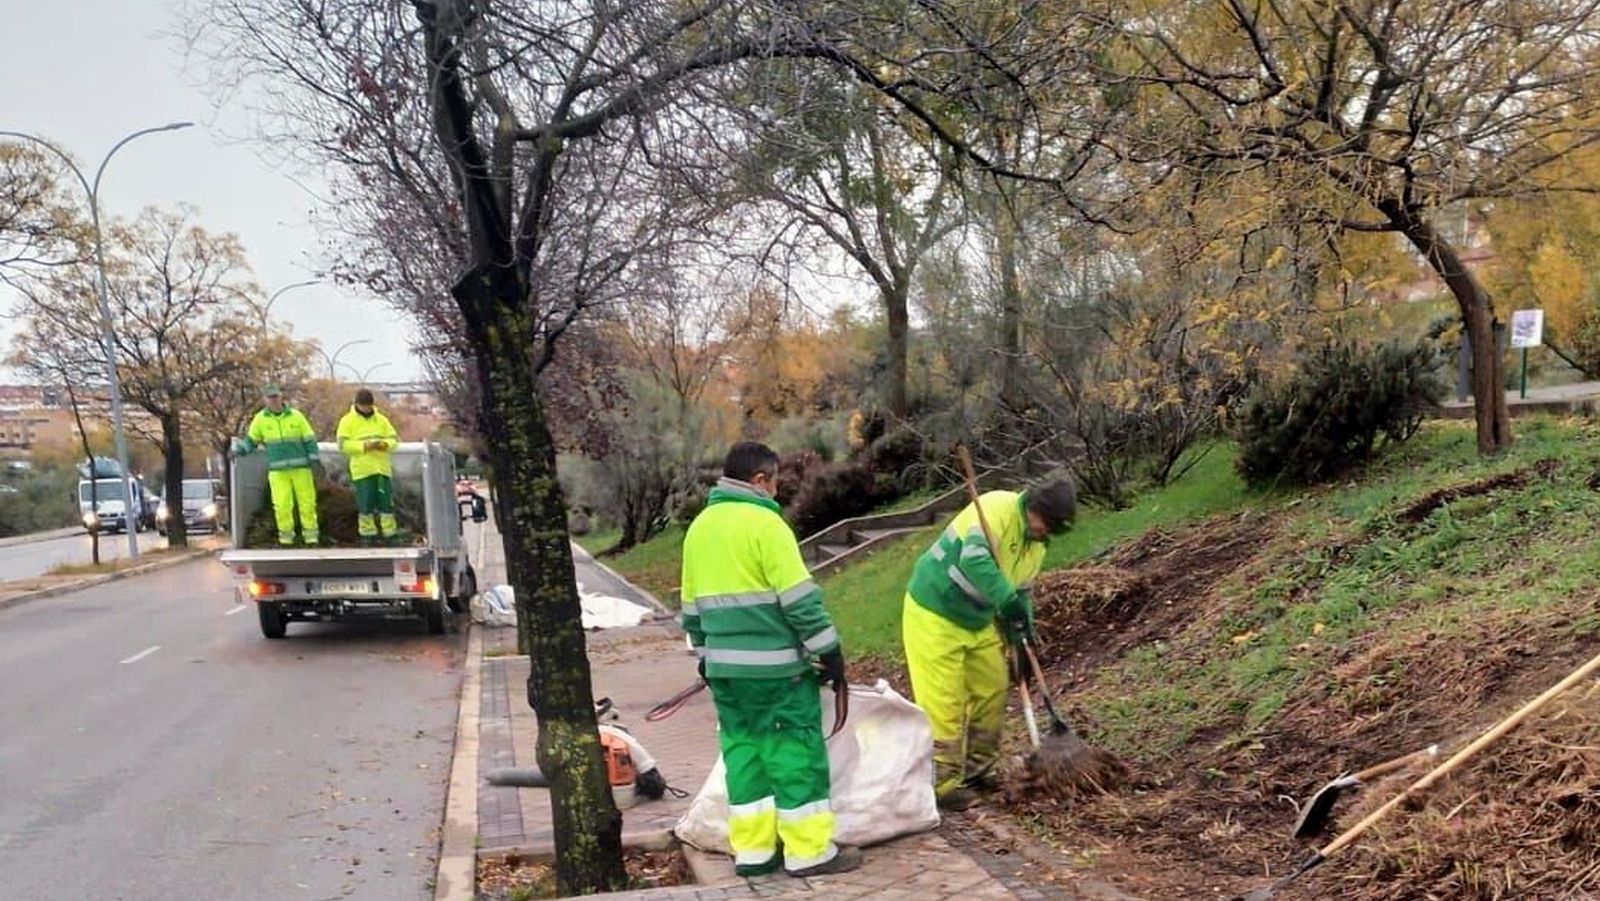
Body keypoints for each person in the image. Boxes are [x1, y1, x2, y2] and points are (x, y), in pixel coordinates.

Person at [679, 441, 860, 878]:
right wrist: (829, 651)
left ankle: (754, 853)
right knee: (793, 753)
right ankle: (809, 851)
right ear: (759, 480)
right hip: (776, 672)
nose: (777, 491)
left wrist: (705, 658)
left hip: (726, 674)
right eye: (775, 481)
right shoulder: (766, 524)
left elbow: (690, 610)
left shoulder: (699, 529)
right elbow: (799, 601)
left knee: (745, 757)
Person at [901, 477, 1077, 811]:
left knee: (993, 688)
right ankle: (942, 785)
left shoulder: (1037, 545)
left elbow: (1021, 591)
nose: (1046, 533)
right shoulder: (995, 508)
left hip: (976, 619)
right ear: (1034, 508)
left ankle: (978, 772)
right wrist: (1006, 600)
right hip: (933, 611)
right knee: (945, 702)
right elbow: (974, 561)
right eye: (1047, 525)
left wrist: (1023, 632)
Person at [236, 385, 321, 547]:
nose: (273, 400)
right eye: (270, 398)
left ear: (281, 397)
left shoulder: (296, 416)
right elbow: (252, 440)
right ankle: (286, 539)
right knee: (282, 506)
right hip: (278, 472)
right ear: (265, 399)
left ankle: (311, 538)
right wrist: (241, 450)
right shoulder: (260, 419)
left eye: (276, 397)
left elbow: (309, 439)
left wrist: (314, 460)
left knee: (307, 504)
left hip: (301, 469)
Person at [336, 388, 402, 546]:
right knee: (365, 504)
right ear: (357, 404)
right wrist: (364, 446)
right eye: (364, 406)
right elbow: (343, 445)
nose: (367, 408)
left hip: (382, 469)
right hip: (362, 470)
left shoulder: (381, 420)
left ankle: (389, 533)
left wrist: (385, 445)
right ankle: (367, 534)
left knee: (386, 503)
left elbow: (394, 440)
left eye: (368, 406)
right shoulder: (347, 421)